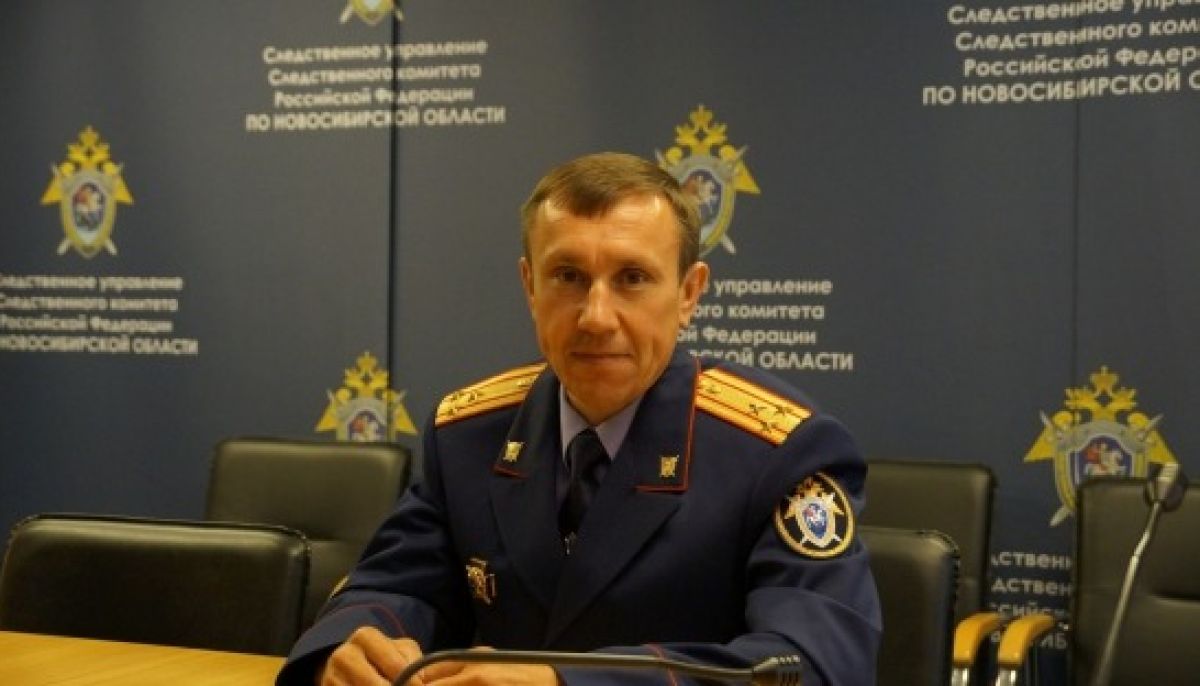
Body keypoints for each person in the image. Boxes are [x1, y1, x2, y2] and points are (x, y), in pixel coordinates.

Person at [277, 152, 881, 686]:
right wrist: (346, 650)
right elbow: (394, 588)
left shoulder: (779, 450)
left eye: (632, 279)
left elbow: (816, 663)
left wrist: (567, 683)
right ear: (529, 286)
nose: (595, 316)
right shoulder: (468, 433)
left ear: (689, 294)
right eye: (568, 277)